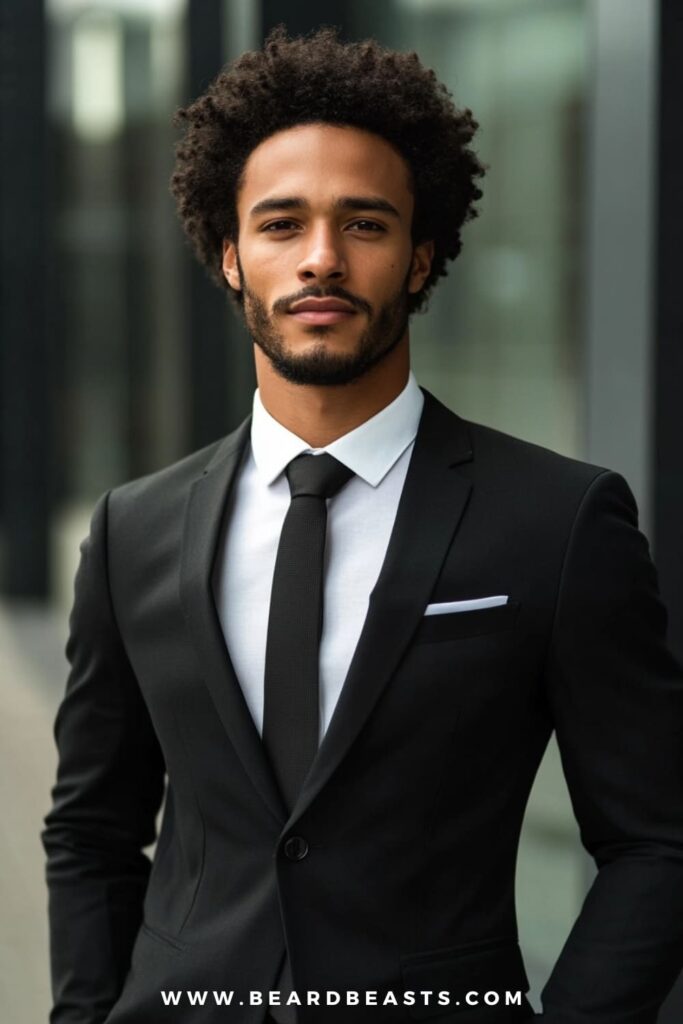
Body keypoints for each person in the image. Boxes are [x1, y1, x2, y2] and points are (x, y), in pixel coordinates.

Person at [43, 26, 683, 1024]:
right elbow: (91, 828)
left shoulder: (557, 522)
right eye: (280, 223)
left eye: (366, 224)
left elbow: (656, 838)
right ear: (228, 254)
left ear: (422, 257)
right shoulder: (135, 529)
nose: (321, 260)